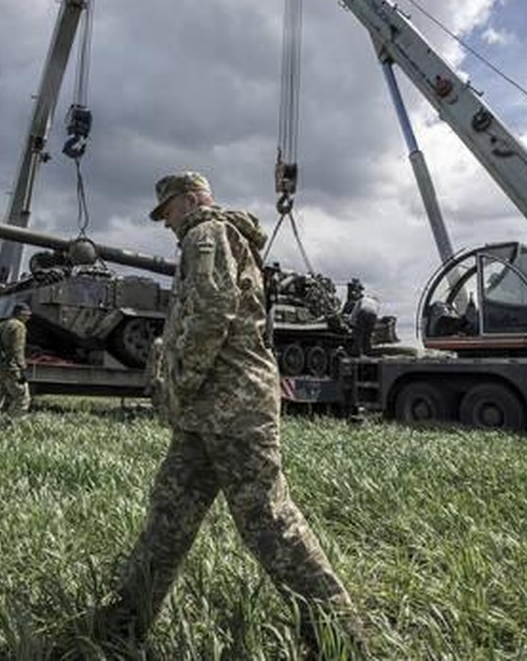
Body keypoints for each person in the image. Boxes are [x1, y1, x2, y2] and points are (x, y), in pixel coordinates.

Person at [96, 171, 362, 655]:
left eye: (168, 210)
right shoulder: (215, 236)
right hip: (209, 413)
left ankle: (339, 637)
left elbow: (211, 313)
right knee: (169, 516)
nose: (166, 223)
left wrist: (177, 386)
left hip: (231, 409)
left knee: (268, 522)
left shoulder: (206, 233)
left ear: (192, 199)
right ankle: (122, 623)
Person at [0, 302, 32, 427]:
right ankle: (12, 425)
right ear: (21, 314)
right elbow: (18, 350)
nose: (28, 318)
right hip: (11, 368)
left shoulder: (1, 325)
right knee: (22, 398)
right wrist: (22, 369)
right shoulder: (19, 326)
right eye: (27, 315)